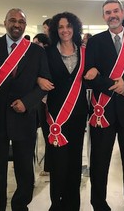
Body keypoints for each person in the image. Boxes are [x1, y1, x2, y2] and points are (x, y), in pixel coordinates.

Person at [0, 8, 51, 211]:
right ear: (5, 23)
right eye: (13, 20)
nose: (17, 24)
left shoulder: (36, 51)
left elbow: (45, 84)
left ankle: (21, 206)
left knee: (24, 169)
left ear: (25, 26)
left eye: (21, 21)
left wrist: (27, 102)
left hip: (24, 118)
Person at [84, 0, 124, 211]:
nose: (112, 15)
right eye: (107, 12)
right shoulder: (95, 42)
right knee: (99, 162)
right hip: (102, 111)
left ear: (122, 12)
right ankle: (99, 203)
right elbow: (90, 75)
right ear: (103, 16)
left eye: (115, 11)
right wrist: (116, 85)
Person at [42, 12, 89, 210]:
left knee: (75, 161)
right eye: (60, 27)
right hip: (55, 117)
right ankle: (56, 204)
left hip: (77, 114)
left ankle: (72, 204)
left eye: (68, 26)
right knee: (58, 163)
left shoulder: (85, 52)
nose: (65, 30)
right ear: (55, 30)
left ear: (74, 28)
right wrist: (38, 79)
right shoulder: (47, 52)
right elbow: (39, 73)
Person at [32, 32, 51, 177]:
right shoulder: (35, 58)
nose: (34, 46)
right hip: (38, 100)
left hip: (49, 101)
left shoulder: (49, 58)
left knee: (50, 133)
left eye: (37, 43)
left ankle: (49, 165)